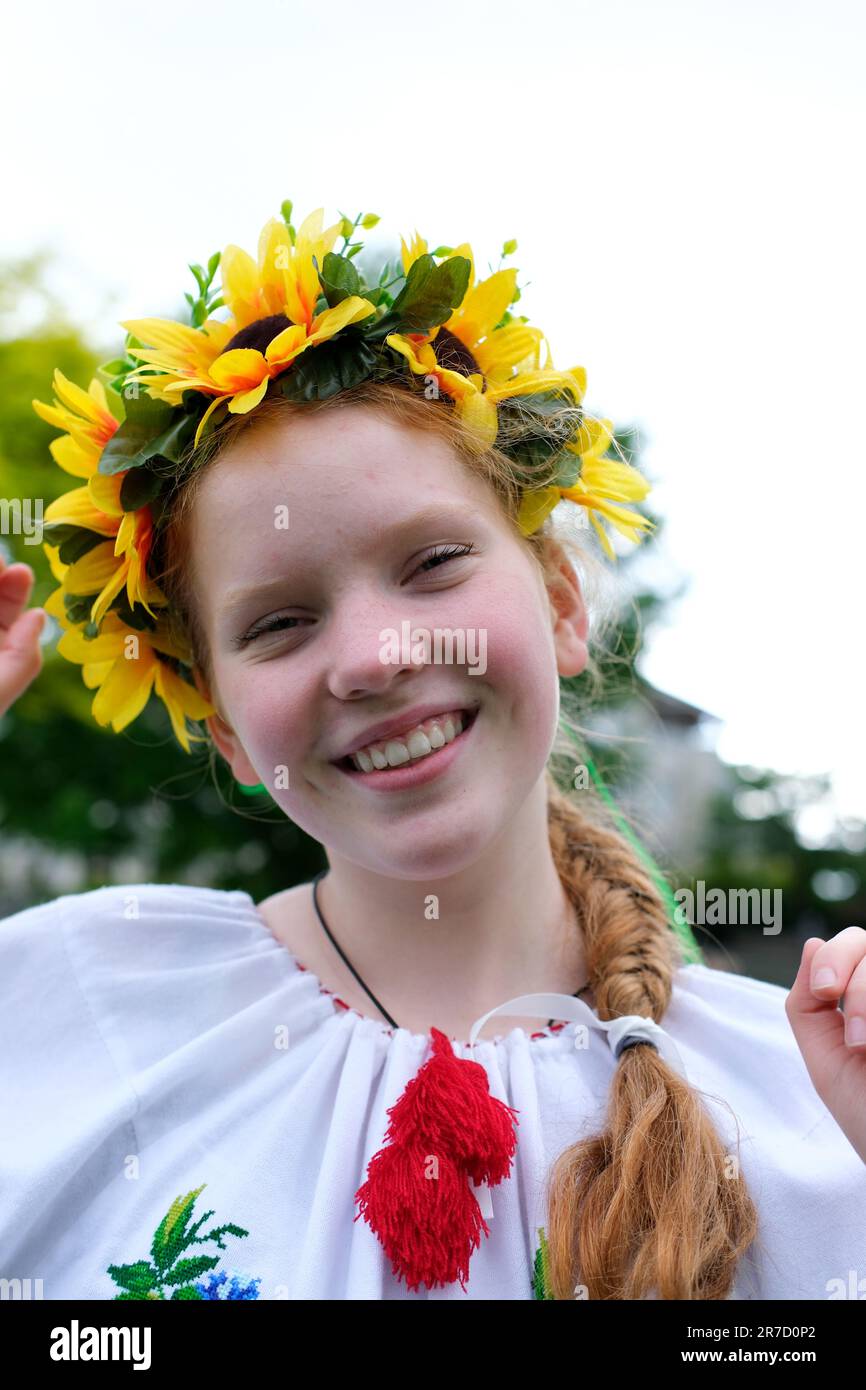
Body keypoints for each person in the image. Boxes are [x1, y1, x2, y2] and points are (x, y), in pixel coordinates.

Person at [1, 204, 864, 1303]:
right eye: (278, 623)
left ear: (560, 603)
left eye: (433, 561)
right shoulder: (73, 1002)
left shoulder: (810, 1096)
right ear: (224, 731)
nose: (370, 657)